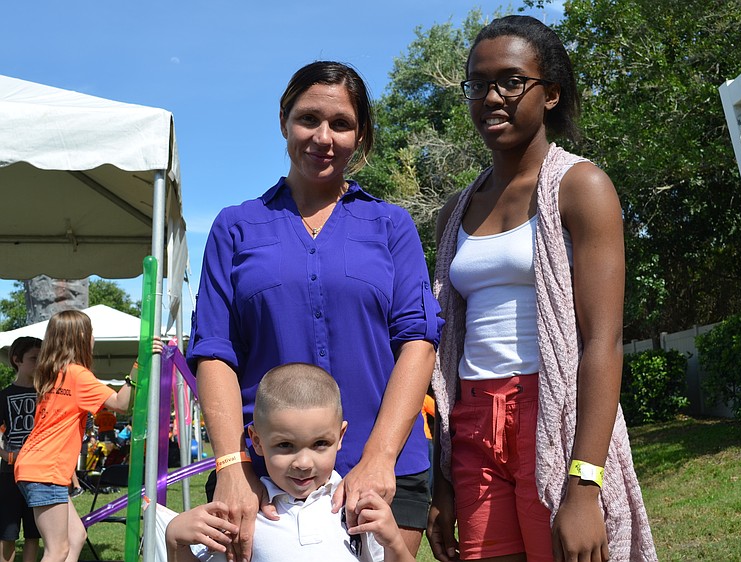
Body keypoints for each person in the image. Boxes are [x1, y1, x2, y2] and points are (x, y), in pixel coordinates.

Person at [187, 61, 442, 561]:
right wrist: (232, 466)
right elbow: (214, 349)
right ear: (284, 121)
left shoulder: (392, 225)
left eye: (341, 124)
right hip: (265, 475)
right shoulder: (235, 227)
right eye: (308, 119)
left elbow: (418, 341)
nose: (322, 137)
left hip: (382, 472)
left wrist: (378, 458)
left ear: (361, 134)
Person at [427, 15, 657, 562]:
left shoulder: (580, 187)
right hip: (472, 422)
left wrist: (583, 484)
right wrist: (443, 479)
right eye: (477, 85)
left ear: (550, 92)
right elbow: (443, 343)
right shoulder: (454, 212)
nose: (491, 98)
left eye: (511, 81)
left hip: (551, 416)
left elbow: (603, 340)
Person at [165, 363, 415, 562]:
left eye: (320, 444)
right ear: (257, 441)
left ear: (340, 437)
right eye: (285, 445)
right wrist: (176, 544)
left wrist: (394, 542)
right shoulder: (245, 514)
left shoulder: (358, 508)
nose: (304, 463)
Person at [14, 310, 133, 562]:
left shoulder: (53, 373)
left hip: (34, 466)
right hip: (45, 470)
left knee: (76, 536)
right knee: (57, 550)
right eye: (90, 332)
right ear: (81, 336)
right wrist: (137, 368)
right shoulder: (78, 375)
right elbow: (121, 403)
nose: (93, 337)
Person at [0, 337, 42, 562]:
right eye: (34, 358)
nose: (39, 363)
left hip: (39, 475)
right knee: (7, 533)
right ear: (17, 360)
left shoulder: (47, 394)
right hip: (10, 474)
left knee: (34, 533)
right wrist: (6, 455)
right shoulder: (4, 395)